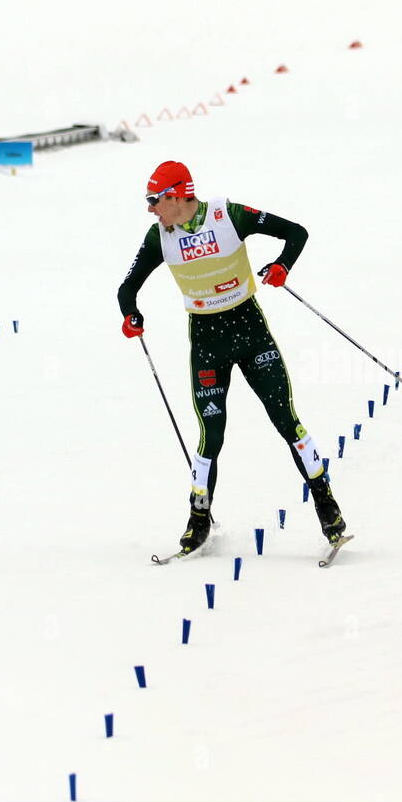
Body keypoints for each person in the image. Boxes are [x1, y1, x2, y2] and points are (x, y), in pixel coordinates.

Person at [117, 160, 347, 553]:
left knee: (286, 420)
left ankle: (328, 507)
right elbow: (127, 289)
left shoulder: (228, 215)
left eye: (155, 200)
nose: (151, 209)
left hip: (250, 333)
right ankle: (198, 519)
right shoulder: (160, 237)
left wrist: (282, 266)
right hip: (207, 344)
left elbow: (295, 233)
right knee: (211, 434)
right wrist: (131, 315)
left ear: (177, 195)